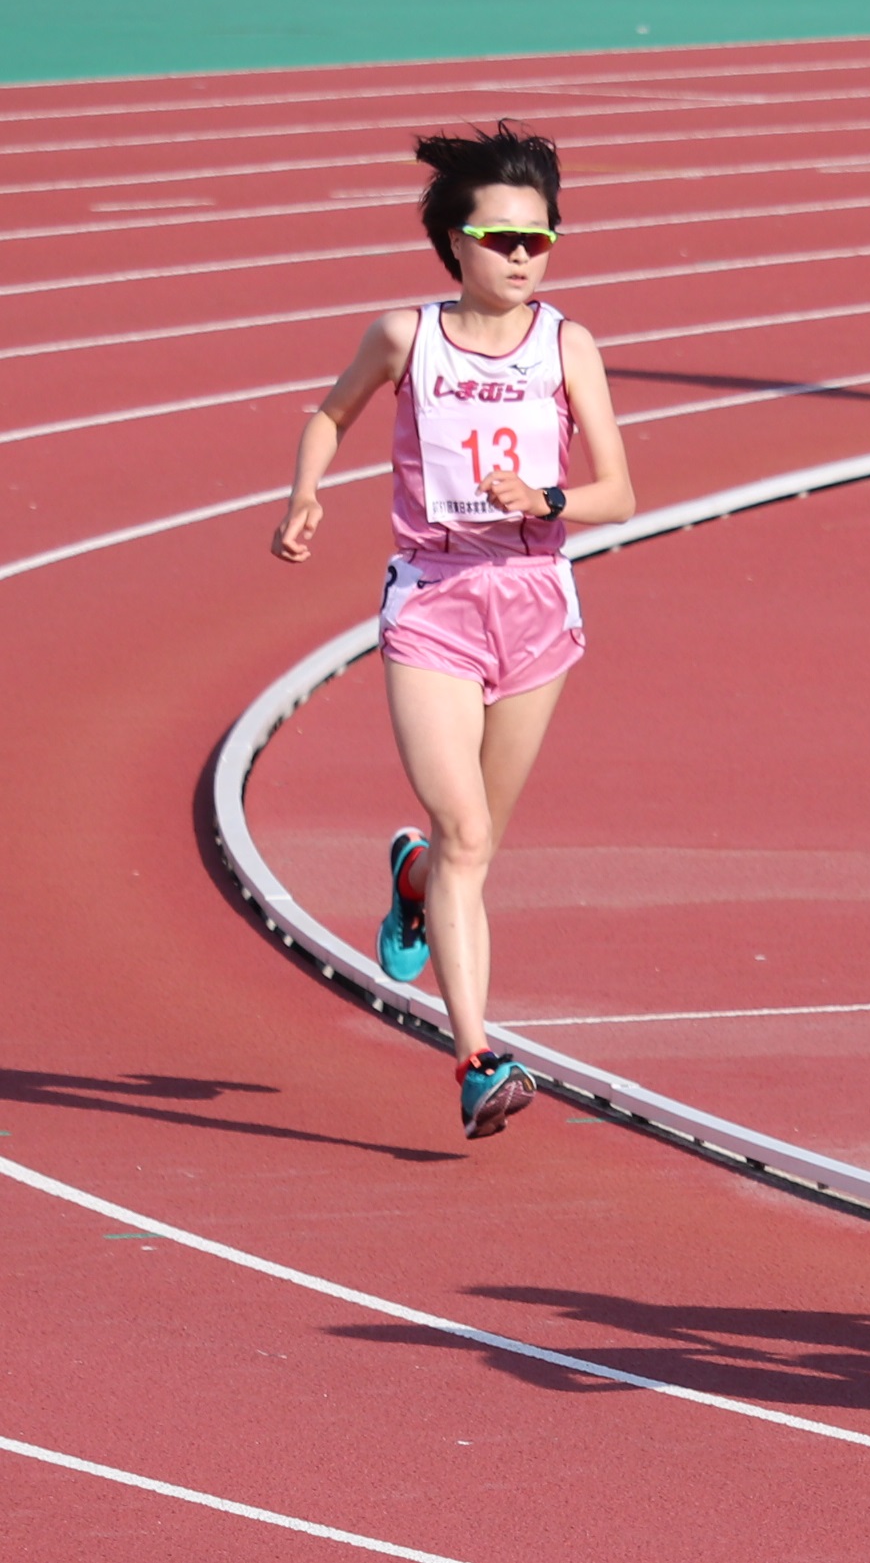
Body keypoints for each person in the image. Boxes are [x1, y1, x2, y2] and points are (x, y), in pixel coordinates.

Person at [270, 123, 634, 1142]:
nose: (523, 257)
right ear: (454, 244)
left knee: (472, 848)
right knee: (467, 831)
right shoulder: (405, 337)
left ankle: (410, 878)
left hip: (534, 602)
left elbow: (621, 486)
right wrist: (305, 491)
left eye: (540, 240)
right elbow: (329, 414)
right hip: (432, 602)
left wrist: (546, 491)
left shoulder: (568, 345)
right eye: (502, 238)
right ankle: (477, 1058)